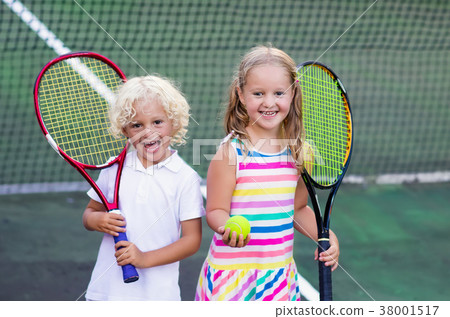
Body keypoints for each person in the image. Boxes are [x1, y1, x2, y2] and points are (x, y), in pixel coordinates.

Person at [195, 45, 339, 301]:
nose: (269, 102)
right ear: (241, 94)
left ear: (293, 93)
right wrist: (226, 225)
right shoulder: (230, 153)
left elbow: (297, 209)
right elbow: (215, 210)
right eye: (258, 93)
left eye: (279, 93)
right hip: (231, 276)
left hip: (278, 278)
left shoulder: (301, 153)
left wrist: (324, 236)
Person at [82, 75, 205, 301]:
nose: (148, 132)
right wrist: (97, 221)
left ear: (174, 122)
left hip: (158, 296)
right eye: (137, 125)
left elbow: (191, 240)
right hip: (106, 294)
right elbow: (90, 214)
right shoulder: (113, 169)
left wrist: (144, 258)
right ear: (125, 130)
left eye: (157, 122)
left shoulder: (185, 178)